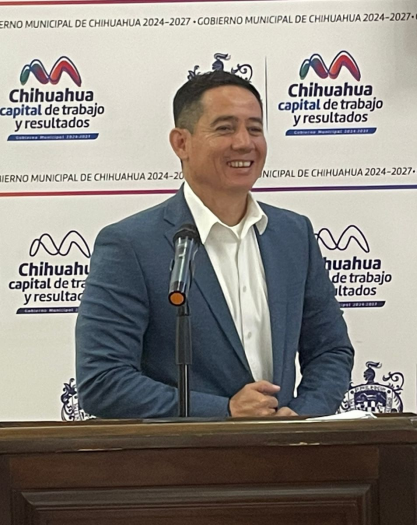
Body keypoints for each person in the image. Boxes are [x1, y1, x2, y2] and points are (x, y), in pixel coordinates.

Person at [75, 71, 354, 418]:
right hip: (185, 451)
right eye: (225, 128)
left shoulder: (293, 234)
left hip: (284, 447)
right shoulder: (131, 245)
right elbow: (103, 381)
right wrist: (225, 411)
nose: (244, 143)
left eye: (255, 129)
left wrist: (301, 415)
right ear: (181, 143)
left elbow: (331, 351)